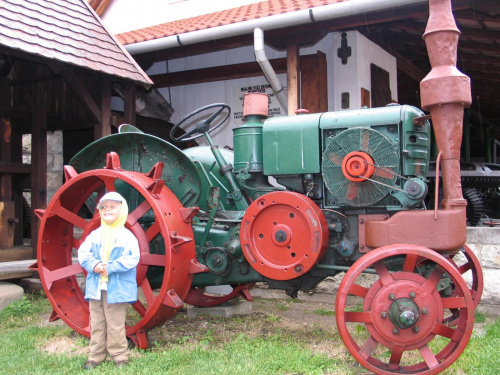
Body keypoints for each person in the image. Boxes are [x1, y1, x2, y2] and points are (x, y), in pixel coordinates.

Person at [78, 191, 140, 370]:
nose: (107, 210)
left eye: (112, 207)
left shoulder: (127, 236)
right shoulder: (95, 235)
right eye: (103, 207)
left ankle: (120, 357)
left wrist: (111, 266)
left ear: (122, 210)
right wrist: (94, 264)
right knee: (96, 323)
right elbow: (83, 253)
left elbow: (132, 258)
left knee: (115, 324)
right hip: (97, 287)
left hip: (117, 288)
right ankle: (95, 357)